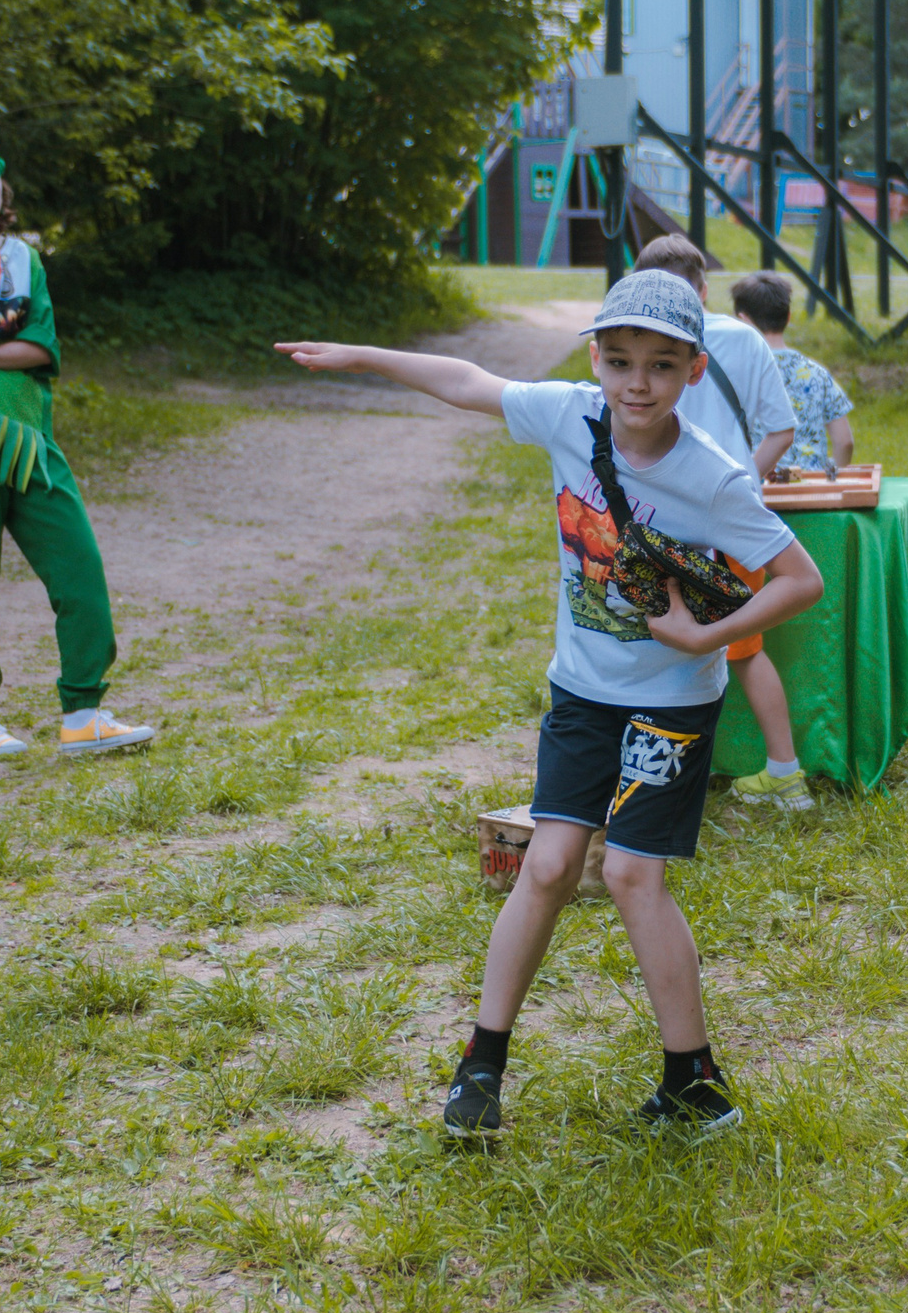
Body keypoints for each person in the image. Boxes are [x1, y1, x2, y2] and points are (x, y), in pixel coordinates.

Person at [275, 270, 825, 1139]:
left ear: (693, 369)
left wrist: (700, 639)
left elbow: (802, 579)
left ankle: (695, 1082)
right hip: (583, 693)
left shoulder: (715, 477)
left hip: (673, 703)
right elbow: (467, 381)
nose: (635, 383)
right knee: (546, 864)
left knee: (634, 874)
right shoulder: (572, 415)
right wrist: (358, 357)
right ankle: (480, 1068)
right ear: (596, 360)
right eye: (617, 360)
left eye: (659, 364)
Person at [0, 136, 154, 759]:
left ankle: (84, 711)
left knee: (78, 563)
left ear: (3, 184)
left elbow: (42, 350)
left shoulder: (27, 258)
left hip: (26, 433)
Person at [630, 236, 814, 812]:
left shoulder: (632, 346)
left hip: (651, 526)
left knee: (644, 651)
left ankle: (645, 785)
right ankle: (785, 773)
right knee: (745, 650)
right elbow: (780, 431)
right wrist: (737, 490)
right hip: (728, 529)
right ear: (704, 287)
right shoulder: (742, 338)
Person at [729, 270, 854, 475]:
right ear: (788, 317)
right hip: (811, 488)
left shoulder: (735, 374)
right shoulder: (817, 373)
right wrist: (833, 476)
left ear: (743, 321)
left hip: (757, 488)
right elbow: (844, 441)